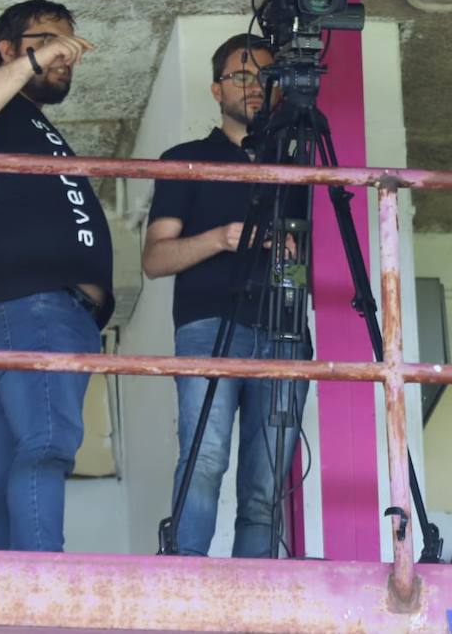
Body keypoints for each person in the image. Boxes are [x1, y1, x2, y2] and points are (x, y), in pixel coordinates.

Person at [0, 0, 113, 552]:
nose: (64, 56)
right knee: (48, 446)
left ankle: (6, 592)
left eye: (68, 46)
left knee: (19, 456)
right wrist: (32, 64)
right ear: (7, 50)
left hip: (44, 314)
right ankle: (40, 585)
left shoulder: (28, 124)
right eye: (46, 41)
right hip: (33, 309)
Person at [142, 34, 311, 558]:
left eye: (264, 75)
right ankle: (185, 581)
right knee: (204, 460)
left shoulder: (296, 165)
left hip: (282, 329)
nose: (254, 86)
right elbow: (154, 260)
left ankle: (253, 600)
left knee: (265, 486)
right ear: (217, 89)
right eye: (241, 75)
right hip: (209, 324)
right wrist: (222, 237)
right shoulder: (186, 160)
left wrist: (290, 254)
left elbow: (303, 260)